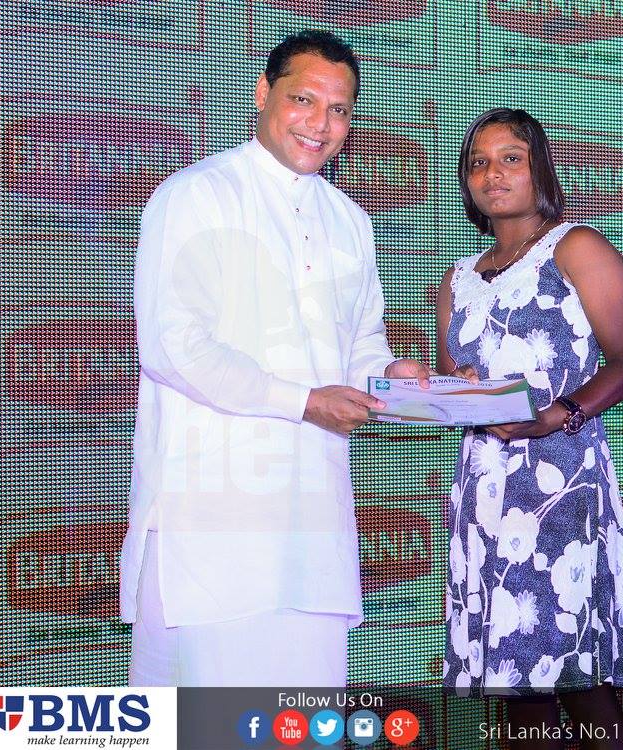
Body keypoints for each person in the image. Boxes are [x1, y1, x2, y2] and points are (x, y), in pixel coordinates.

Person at [120, 30, 431, 686]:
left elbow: (360, 344)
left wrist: (388, 377)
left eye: (339, 109)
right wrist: (304, 402)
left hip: (313, 530)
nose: (321, 124)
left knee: (303, 717)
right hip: (212, 528)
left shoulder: (350, 220)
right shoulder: (198, 194)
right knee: (209, 723)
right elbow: (174, 347)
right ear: (263, 94)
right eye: (303, 100)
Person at [436, 108, 623, 749]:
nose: (492, 174)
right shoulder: (457, 280)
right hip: (485, 496)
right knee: (516, 684)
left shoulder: (577, 248)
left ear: (540, 169)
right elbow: (458, 389)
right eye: (478, 163)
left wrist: (558, 415)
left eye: (511, 159)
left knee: (576, 673)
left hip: (560, 484)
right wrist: (438, 387)